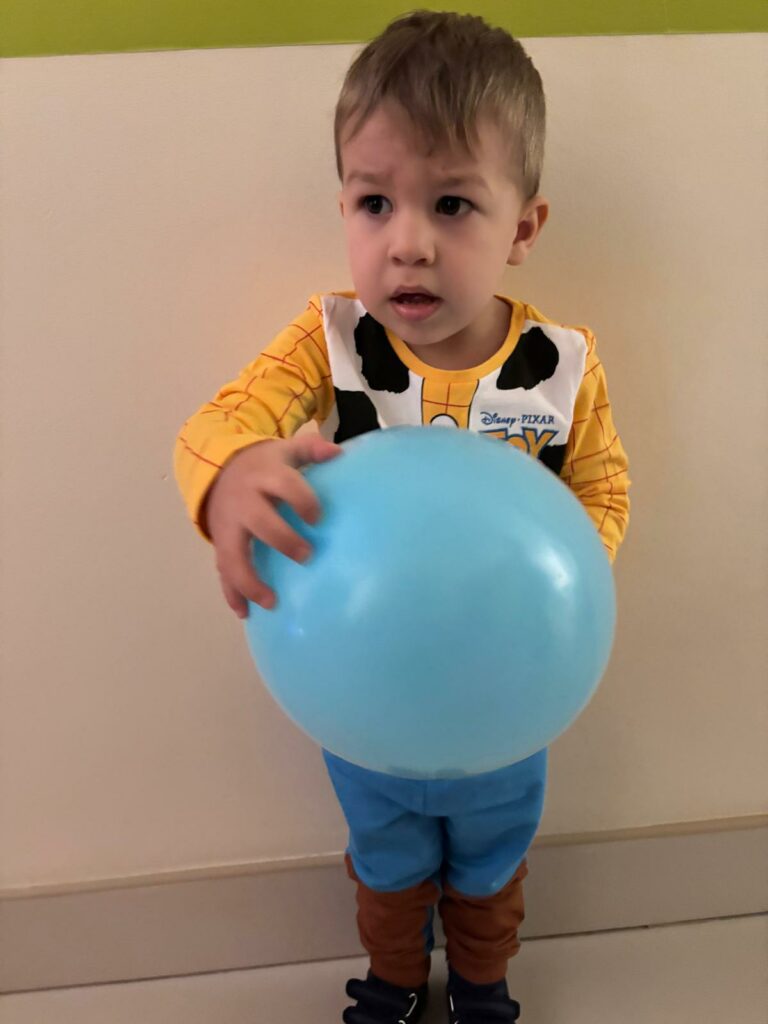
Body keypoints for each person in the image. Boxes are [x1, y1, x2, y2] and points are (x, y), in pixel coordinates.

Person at [174, 11, 630, 1023]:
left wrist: (558, 596)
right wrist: (232, 471)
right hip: (362, 698)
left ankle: (482, 983)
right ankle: (392, 978)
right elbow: (219, 423)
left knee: (492, 857)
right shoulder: (328, 341)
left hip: (509, 701)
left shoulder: (562, 367)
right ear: (343, 205)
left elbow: (602, 490)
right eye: (374, 202)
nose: (408, 244)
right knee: (384, 855)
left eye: (452, 203)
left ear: (523, 229)